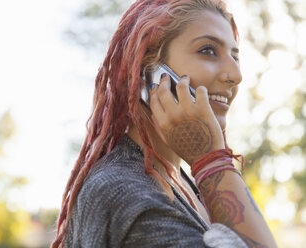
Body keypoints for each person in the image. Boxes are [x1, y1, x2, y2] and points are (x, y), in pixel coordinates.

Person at [51, 0, 277, 247]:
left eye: (235, 56)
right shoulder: (127, 193)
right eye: (209, 50)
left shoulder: (184, 184)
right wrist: (212, 160)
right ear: (149, 71)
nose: (235, 75)